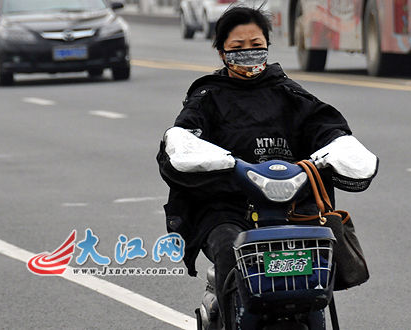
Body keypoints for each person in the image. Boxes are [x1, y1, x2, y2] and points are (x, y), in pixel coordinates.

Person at [157, 5, 378, 322]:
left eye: (255, 45)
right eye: (237, 48)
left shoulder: (290, 94)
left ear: (267, 47)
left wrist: (338, 146)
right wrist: (205, 157)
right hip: (228, 210)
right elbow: (181, 142)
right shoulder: (207, 97)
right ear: (222, 53)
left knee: (316, 278)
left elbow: (326, 128)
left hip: (292, 209)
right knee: (226, 246)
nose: (248, 53)